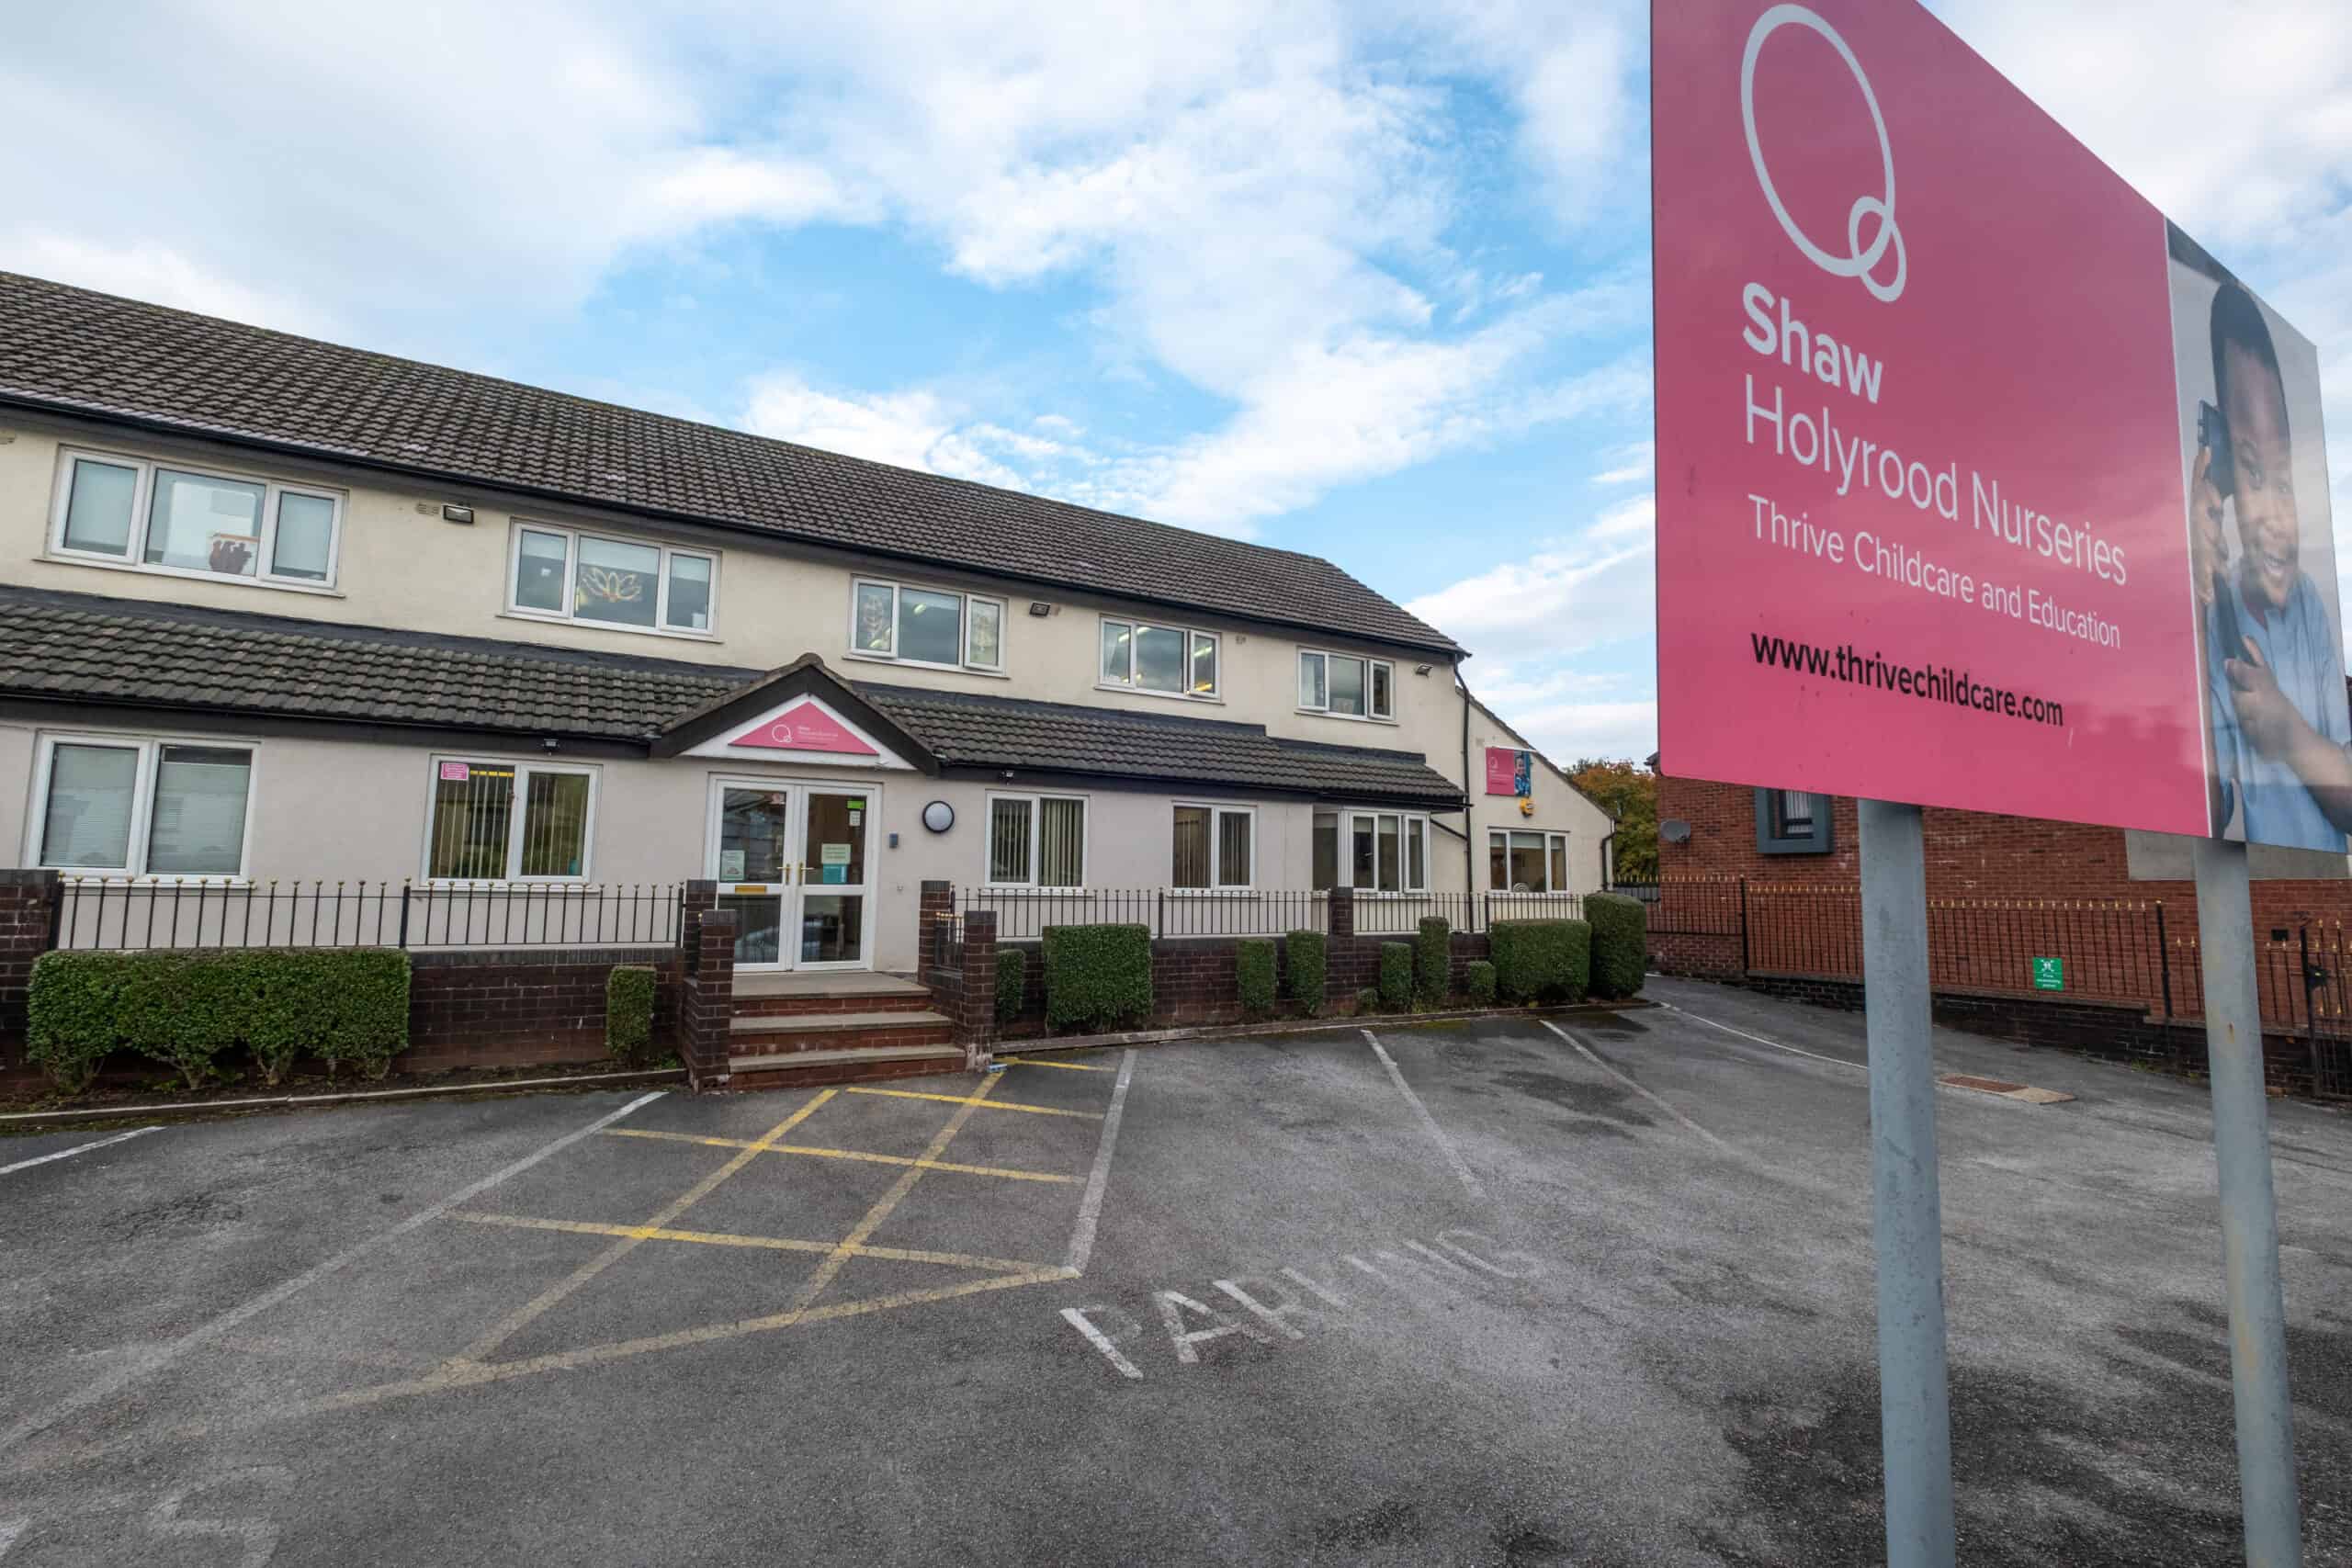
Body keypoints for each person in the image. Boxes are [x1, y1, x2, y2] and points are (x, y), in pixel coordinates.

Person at [2190, 279, 2352, 852]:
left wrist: (2286, 729)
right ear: (2226, 476)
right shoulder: (2210, 624)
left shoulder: (2309, 602)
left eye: (2284, 481)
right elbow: (2204, 817)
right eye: (2254, 475)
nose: (2275, 518)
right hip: (2260, 895)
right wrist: (2195, 600)